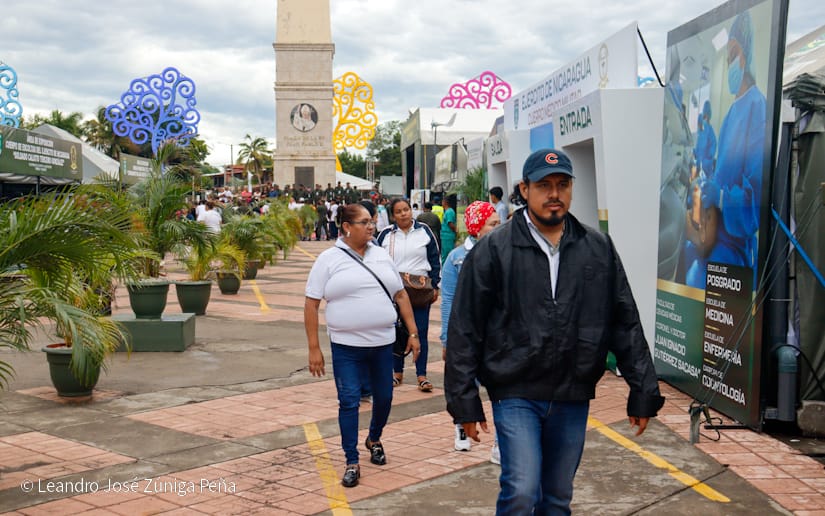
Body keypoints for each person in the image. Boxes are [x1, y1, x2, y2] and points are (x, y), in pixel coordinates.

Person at [444, 148, 665, 514]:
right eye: (544, 185)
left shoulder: (597, 247)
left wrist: (643, 390)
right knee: (522, 490)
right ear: (524, 189)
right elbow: (465, 328)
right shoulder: (494, 249)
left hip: (571, 392)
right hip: (515, 390)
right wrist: (463, 402)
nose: (554, 193)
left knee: (558, 496)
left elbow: (624, 321)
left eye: (562, 184)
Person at [304, 204, 420, 488]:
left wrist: (414, 333)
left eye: (372, 222)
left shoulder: (381, 255)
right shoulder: (328, 260)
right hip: (346, 347)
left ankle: (374, 438)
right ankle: (351, 460)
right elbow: (311, 303)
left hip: (382, 344)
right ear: (346, 227)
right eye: (364, 222)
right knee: (349, 400)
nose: (371, 227)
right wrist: (314, 348)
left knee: (385, 397)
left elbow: (401, 295)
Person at [688, 10, 765, 289]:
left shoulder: (758, 108)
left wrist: (722, 197)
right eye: (728, 56)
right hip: (717, 232)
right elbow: (722, 169)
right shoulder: (732, 113)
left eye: (734, 54)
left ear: (746, 56)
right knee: (688, 254)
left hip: (735, 245)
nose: (731, 62)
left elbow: (755, 199)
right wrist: (706, 186)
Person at [439, 201, 500, 458]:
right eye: (493, 224)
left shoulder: (506, 253)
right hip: (468, 336)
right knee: (465, 383)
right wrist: (447, 340)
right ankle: (462, 426)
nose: (499, 228)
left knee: (502, 389)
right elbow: (448, 301)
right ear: (477, 227)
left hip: (498, 336)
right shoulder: (456, 259)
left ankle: (501, 442)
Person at [377, 198, 441, 392]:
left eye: (406, 209)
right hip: (394, 292)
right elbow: (376, 260)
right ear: (393, 216)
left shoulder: (424, 231)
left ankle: (422, 375)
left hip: (420, 291)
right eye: (399, 211)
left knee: (420, 331)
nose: (404, 213)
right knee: (396, 332)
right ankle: (397, 373)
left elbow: (435, 258)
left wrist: (435, 285)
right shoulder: (386, 234)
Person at [440, 194, 458, 262]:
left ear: (445, 202)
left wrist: (455, 230)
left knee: (447, 254)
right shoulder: (447, 211)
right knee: (445, 254)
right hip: (445, 236)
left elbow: (450, 223)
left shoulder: (449, 211)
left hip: (448, 236)